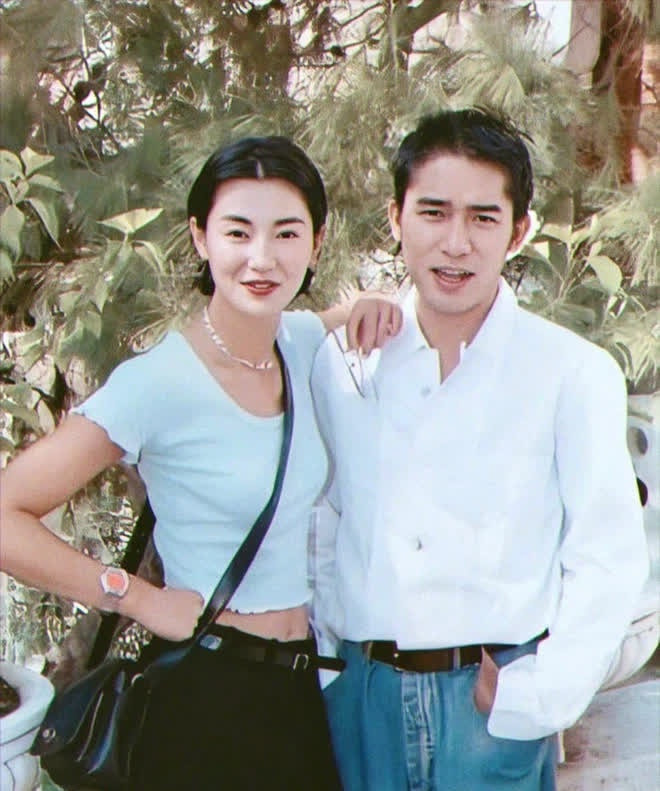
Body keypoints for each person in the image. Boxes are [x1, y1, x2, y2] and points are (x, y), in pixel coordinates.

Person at [0, 135, 400, 790]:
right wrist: (138, 598)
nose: (262, 257)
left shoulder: (300, 343)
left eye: (287, 233)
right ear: (199, 236)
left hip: (304, 694)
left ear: (316, 244)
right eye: (238, 232)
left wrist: (374, 303)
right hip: (205, 696)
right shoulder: (158, 382)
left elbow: (354, 314)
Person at [310, 108, 649, 791]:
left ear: (518, 230)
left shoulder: (570, 372)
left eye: (483, 218)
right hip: (364, 697)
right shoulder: (347, 362)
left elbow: (606, 556)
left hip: (489, 705)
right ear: (396, 217)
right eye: (433, 213)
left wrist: (537, 695)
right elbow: (322, 517)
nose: (455, 243)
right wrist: (330, 669)